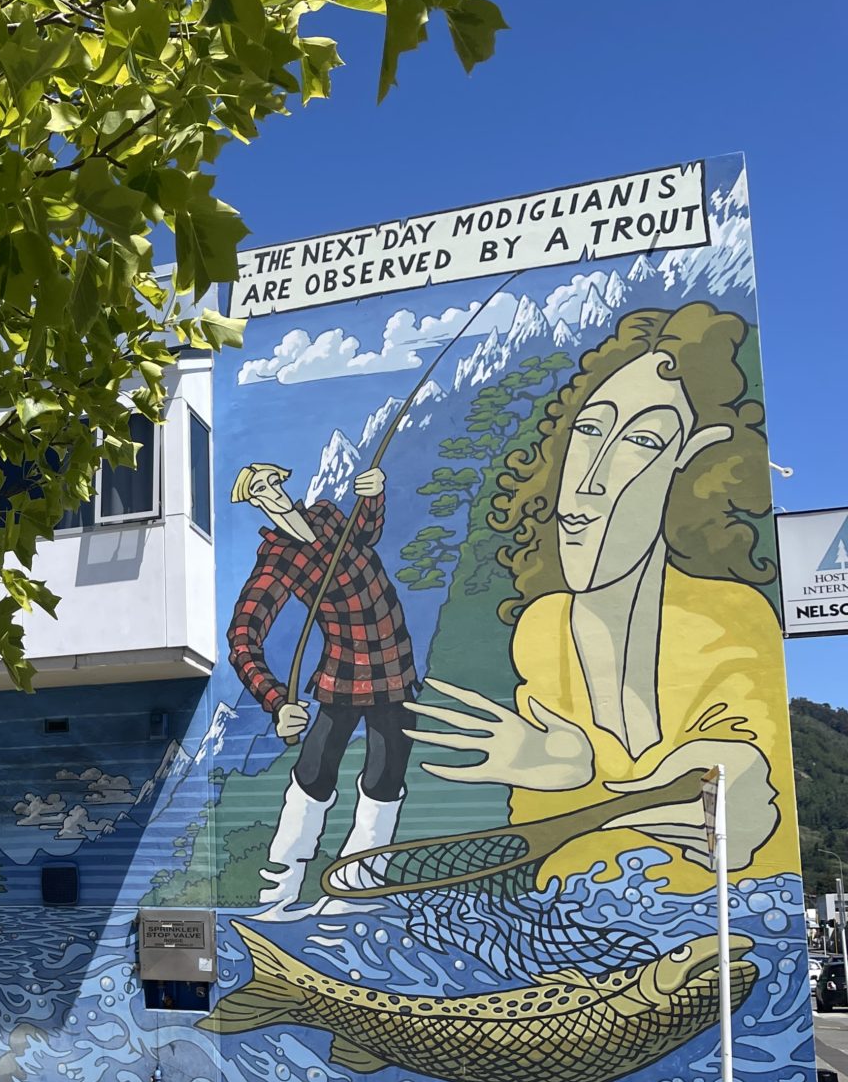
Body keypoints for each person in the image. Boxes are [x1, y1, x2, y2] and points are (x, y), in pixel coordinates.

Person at [408, 303, 794, 891]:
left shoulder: (734, 616)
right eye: (590, 430)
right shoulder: (543, 627)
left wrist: (739, 781)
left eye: (641, 439)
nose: (590, 478)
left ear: (693, 452)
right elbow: (543, 848)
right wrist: (569, 770)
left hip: (708, 923)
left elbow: (745, 749)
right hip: (564, 925)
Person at [228, 460, 416, 912]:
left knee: (386, 775)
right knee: (314, 772)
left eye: (275, 480)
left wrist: (373, 494)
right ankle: (280, 889)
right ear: (253, 502)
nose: (272, 491)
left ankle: (359, 884)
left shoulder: (328, 515)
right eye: (260, 489)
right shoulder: (277, 560)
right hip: (344, 673)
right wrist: (276, 703)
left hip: (396, 665)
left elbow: (366, 533)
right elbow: (242, 638)